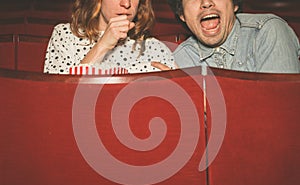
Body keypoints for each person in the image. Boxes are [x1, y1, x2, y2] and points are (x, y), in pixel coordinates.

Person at [164, 0, 300, 73]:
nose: (206, 3)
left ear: (234, 4)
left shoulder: (268, 30)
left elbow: (280, 110)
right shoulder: (180, 58)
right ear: (182, 15)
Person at [44, 0, 175, 74]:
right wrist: (103, 45)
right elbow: (59, 97)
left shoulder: (154, 47)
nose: (126, 4)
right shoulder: (65, 34)